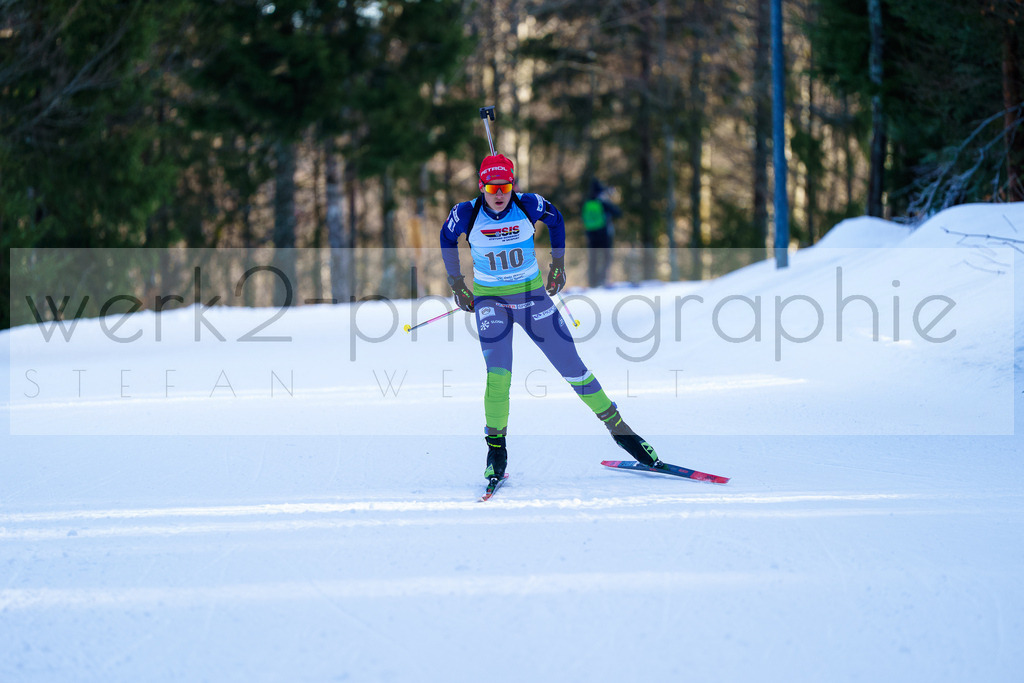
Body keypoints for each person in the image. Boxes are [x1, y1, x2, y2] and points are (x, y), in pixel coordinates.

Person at [439, 154, 661, 483]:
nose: (498, 194)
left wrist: (558, 265)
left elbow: (556, 221)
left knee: (572, 366)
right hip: (491, 302)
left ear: (513, 185)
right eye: (491, 187)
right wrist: (457, 283)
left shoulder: (529, 205)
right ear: (481, 186)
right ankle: (496, 450)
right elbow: (446, 238)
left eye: (504, 187)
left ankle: (622, 431)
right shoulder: (466, 213)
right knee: (498, 375)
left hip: (532, 298)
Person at [581, 178, 622, 287]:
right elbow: (618, 213)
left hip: (591, 235)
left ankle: (592, 282)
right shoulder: (603, 203)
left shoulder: (587, 203)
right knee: (606, 257)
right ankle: (602, 279)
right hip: (604, 235)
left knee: (593, 258)